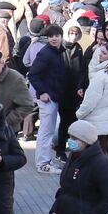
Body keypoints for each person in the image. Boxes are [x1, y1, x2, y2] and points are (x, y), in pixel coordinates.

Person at [75, 42, 108, 168]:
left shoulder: (101, 76)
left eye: (104, 53)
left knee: (94, 156)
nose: (100, 55)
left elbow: (90, 101)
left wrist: (79, 114)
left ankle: (98, 180)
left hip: (97, 122)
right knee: (103, 151)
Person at [27, 28, 69, 174]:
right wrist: (42, 92)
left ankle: (45, 161)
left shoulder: (57, 52)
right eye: (51, 36)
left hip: (54, 96)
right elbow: (33, 74)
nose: (54, 39)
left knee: (48, 130)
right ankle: (43, 163)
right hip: (48, 98)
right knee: (46, 131)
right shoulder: (46, 53)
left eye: (57, 36)